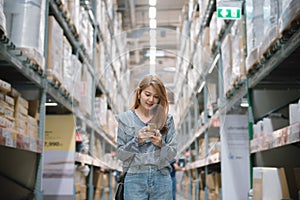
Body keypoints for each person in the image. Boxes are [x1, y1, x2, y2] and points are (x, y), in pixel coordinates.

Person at [116, 74, 177, 200]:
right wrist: (136, 141)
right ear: (139, 94)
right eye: (147, 94)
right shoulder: (125, 119)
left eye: (156, 97)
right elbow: (120, 154)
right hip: (135, 179)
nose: (151, 100)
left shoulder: (167, 120)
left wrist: (161, 144)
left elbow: (172, 154)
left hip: (162, 179)